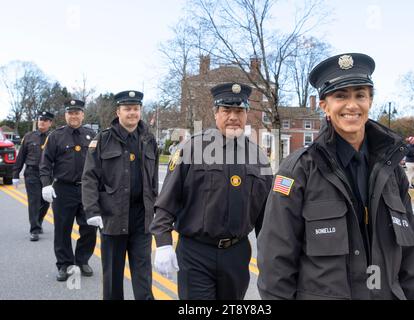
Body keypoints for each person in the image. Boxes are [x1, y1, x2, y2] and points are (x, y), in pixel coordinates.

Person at [257, 53, 414, 300]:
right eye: (341, 96)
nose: (352, 105)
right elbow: (275, 263)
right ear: (324, 105)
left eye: (360, 95)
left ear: (370, 101)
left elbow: (409, 261)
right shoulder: (298, 171)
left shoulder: (391, 173)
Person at [151, 82, 273, 300]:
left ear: (246, 114)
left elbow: (267, 217)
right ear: (216, 113)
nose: (233, 117)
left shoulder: (259, 157)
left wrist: (273, 256)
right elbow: (167, 200)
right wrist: (162, 242)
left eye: (239, 111)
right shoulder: (192, 149)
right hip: (196, 252)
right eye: (227, 110)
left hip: (237, 254)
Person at [82, 90, 158, 300]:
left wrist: (157, 209)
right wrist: (92, 209)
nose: (132, 113)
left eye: (136, 109)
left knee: (143, 276)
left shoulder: (148, 140)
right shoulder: (103, 140)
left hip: (142, 218)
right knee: (113, 277)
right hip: (112, 217)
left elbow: (153, 182)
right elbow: (89, 178)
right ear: (118, 111)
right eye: (127, 109)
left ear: (140, 111)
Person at [40, 99, 97, 281]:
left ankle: (81, 260)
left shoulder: (92, 135)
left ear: (83, 114)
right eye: (70, 113)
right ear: (65, 115)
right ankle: (64, 264)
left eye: (77, 112)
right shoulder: (56, 136)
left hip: (87, 190)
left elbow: (100, 163)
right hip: (63, 190)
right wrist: (46, 184)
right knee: (62, 229)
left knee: (89, 228)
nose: (74, 116)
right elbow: (45, 162)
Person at [13, 111, 54, 241]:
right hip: (32, 173)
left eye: (45, 120)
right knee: (34, 201)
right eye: (40, 119)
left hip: (47, 174)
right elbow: (21, 157)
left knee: (46, 201)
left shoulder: (54, 138)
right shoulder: (29, 136)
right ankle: (34, 229)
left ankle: (39, 220)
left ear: (50, 123)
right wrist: (15, 174)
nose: (42, 121)